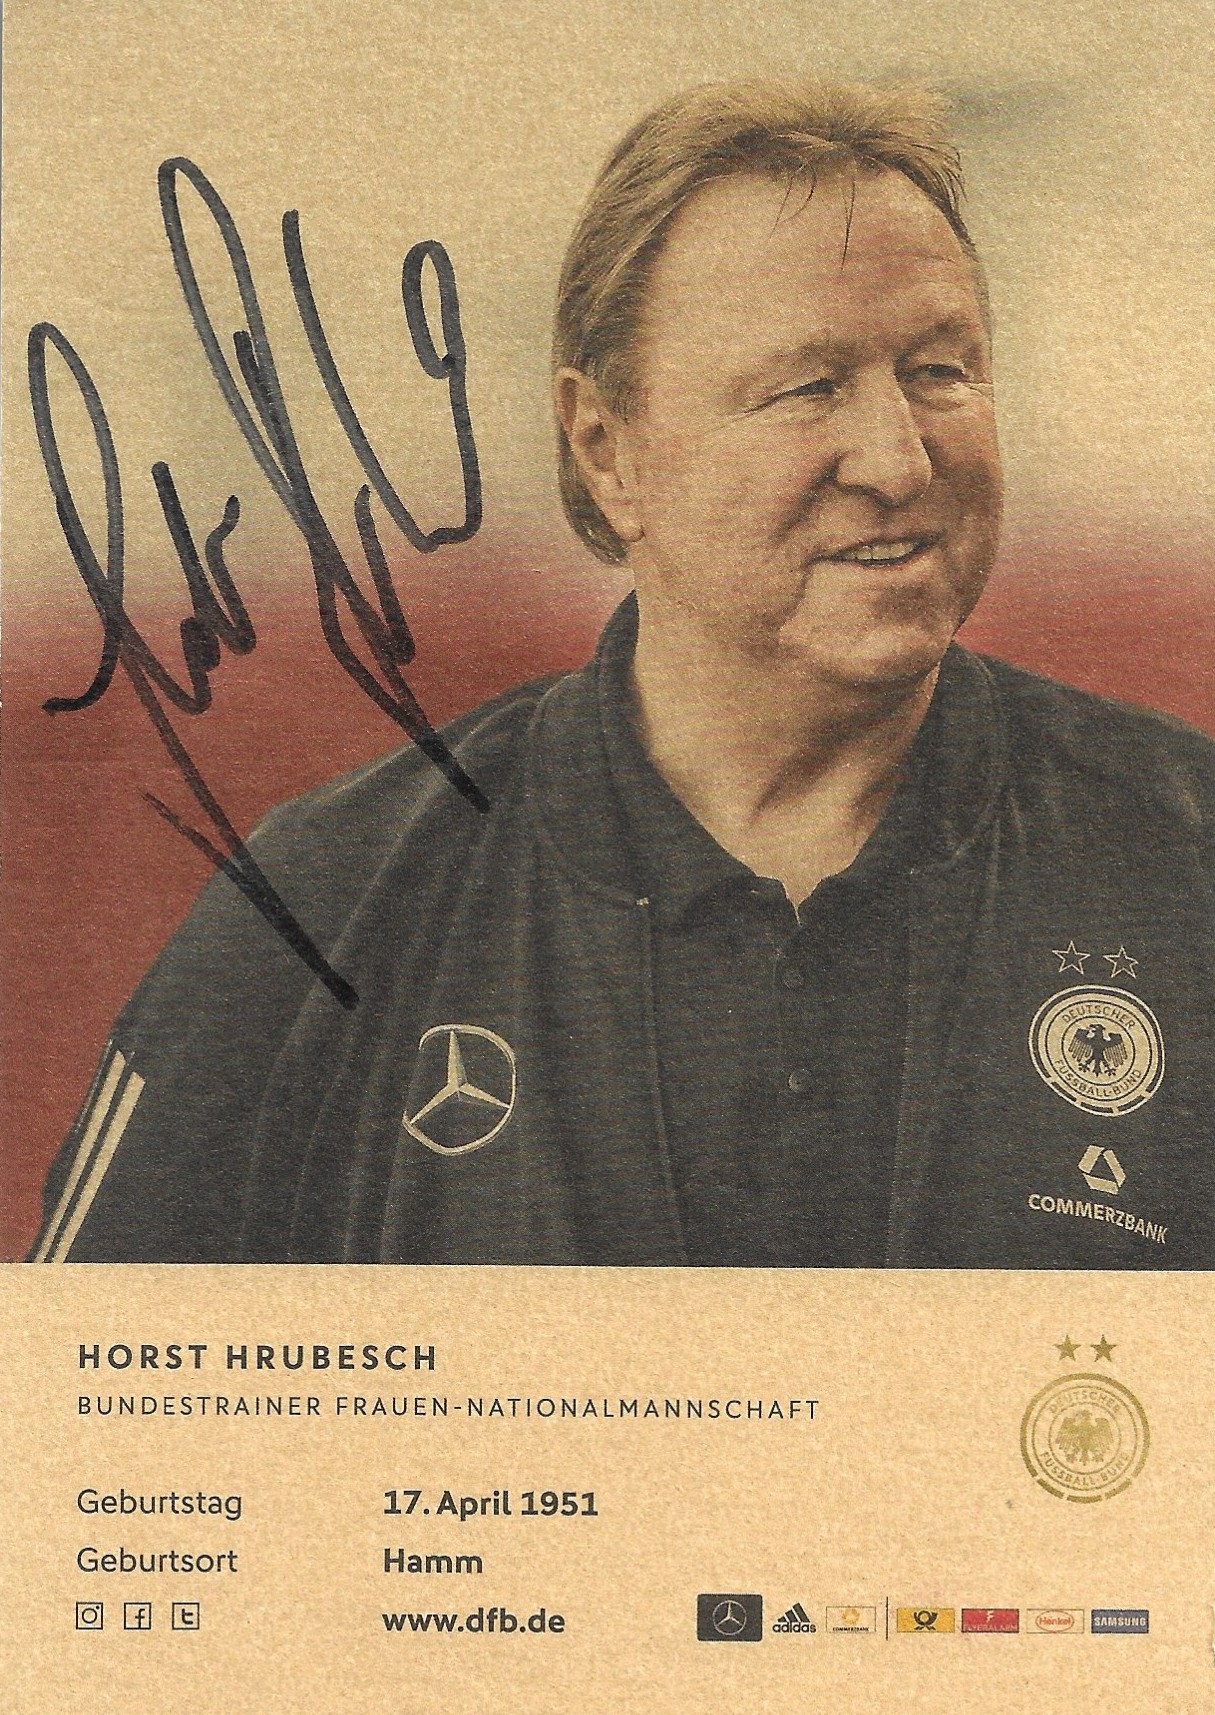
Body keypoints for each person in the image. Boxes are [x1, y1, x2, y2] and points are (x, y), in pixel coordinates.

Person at [33, 78, 1215, 1266]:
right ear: (608, 450)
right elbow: (80, 1377)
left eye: (941, 370)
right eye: (807, 387)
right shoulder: (321, 913)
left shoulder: (1186, 854)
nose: (900, 460)